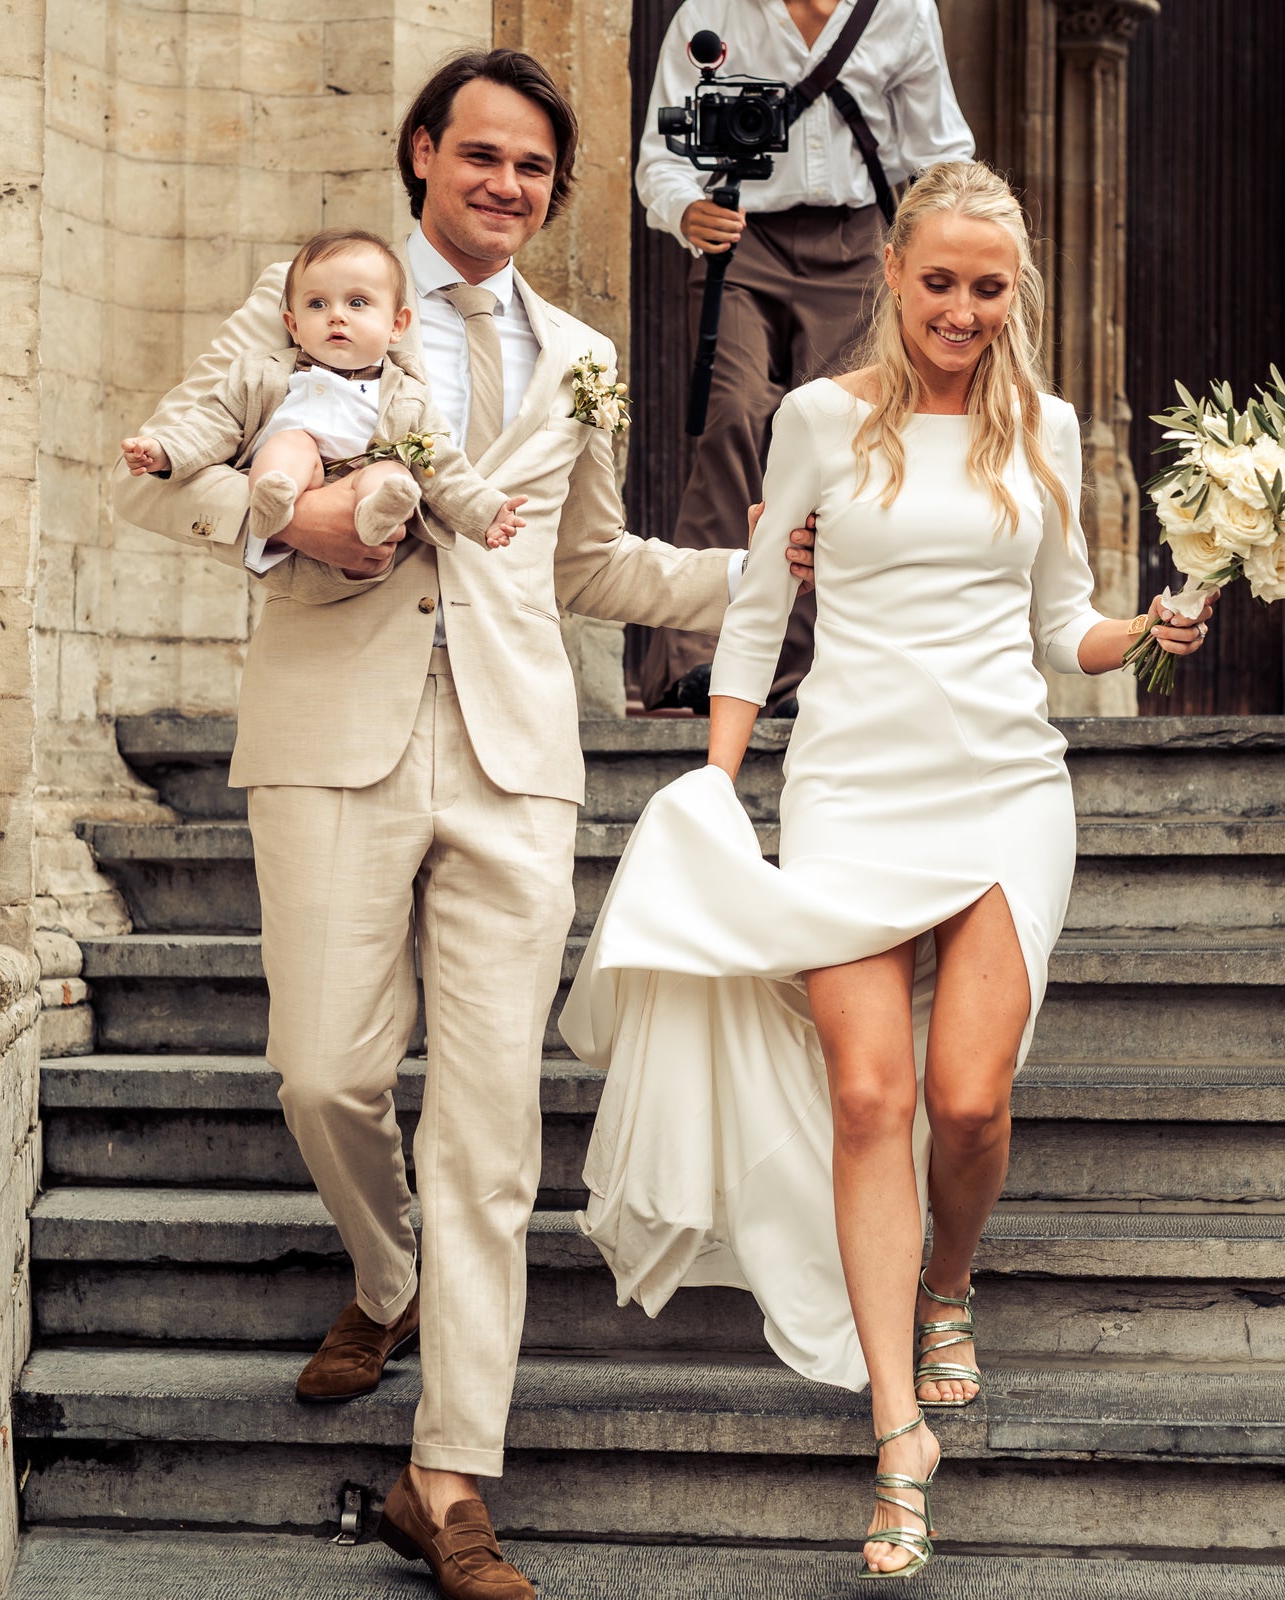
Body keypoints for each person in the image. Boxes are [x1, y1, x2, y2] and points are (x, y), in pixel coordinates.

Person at [110, 50, 815, 1600]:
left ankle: (451, 1479)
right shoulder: (314, 295)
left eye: (536, 172)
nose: (508, 187)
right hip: (330, 738)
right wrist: (273, 515)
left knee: (491, 1130)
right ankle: (388, 1274)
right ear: (424, 152)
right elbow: (157, 473)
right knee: (326, 1071)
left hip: (514, 759)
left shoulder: (579, 350)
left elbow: (591, 563)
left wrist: (756, 573)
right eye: (482, 157)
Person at [563, 163, 1213, 1579]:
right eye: (940, 282)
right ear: (894, 276)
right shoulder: (816, 421)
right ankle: (894, 1425)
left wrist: (1157, 628)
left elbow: (1065, 630)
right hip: (852, 785)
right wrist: (719, 786)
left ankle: (950, 1283)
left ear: (1013, 291)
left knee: (965, 1100)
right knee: (868, 1091)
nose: (963, 309)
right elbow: (755, 610)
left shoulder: (1043, 431)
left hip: (1002, 792)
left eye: (989, 287)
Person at [627, 0, 976, 713]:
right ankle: (694, 659)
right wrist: (685, 210)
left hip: (859, 249)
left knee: (837, 448)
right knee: (730, 417)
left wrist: (946, 260)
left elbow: (941, 154)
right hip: (740, 246)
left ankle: (798, 674)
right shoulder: (712, 12)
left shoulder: (903, 13)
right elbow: (661, 160)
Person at [119, 228, 529, 556]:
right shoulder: (263, 374)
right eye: (316, 305)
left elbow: (443, 464)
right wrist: (165, 449)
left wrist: (487, 513)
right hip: (305, 481)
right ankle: (272, 502)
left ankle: (376, 516)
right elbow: (213, 422)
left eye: (357, 303)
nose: (336, 315)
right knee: (291, 444)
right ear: (292, 325)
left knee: (393, 473)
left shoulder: (408, 395)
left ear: (396, 326)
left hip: (359, 483)